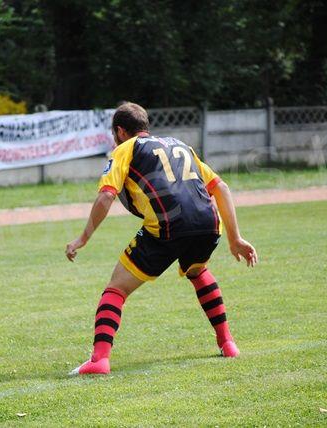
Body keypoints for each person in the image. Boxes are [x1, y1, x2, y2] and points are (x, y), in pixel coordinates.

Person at [66, 102, 257, 375]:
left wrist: (83, 238)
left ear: (120, 131)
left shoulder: (125, 148)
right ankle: (228, 344)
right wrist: (235, 238)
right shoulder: (180, 145)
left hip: (168, 225)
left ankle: (99, 360)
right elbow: (221, 187)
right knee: (197, 271)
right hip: (208, 223)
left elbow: (107, 195)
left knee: (116, 289)